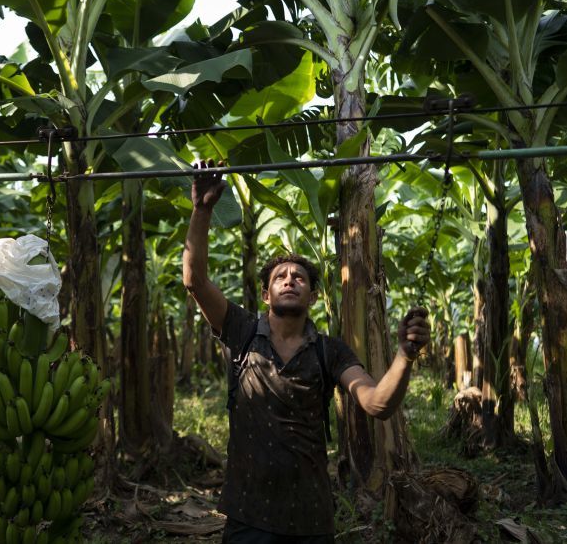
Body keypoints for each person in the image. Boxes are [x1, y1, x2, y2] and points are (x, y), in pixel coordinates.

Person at [182, 161, 430, 543]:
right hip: (248, 512)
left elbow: (377, 403)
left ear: (314, 296)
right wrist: (202, 209)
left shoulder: (329, 351)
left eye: (298, 277)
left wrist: (405, 356)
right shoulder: (243, 331)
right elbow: (195, 279)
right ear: (266, 294)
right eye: (280, 277)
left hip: (309, 517)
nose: (289, 281)